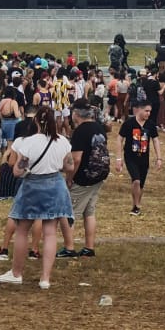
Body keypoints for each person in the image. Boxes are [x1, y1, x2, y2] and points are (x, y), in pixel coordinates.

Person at [0, 104, 73, 289]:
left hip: (32, 186)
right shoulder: (62, 141)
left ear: (36, 121)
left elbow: (16, 171)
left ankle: (16, 273)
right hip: (55, 185)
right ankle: (45, 278)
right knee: (50, 232)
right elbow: (69, 166)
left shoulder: (27, 142)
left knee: (22, 229)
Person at [60, 98, 108, 258]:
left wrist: (69, 177)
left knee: (70, 213)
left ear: (75, 114)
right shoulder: (98, 128)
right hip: (98, 176)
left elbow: (76, 159)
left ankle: (69, 247)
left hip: (83, 177)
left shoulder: (81, 131)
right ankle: (89, 247)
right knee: (90, 211)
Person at [120, 100, 153, 215]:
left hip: (144, 158)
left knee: (141, 183)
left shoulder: (150, 124)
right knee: (136, 181)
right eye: (146, 111)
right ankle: (136, 205)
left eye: (150, 111)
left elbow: (156, 140)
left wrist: (159, 158)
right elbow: (120, 139)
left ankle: (136, 205)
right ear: (139, 109)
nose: (148, 114)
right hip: (130, 157)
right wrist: (119, 158)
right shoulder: (129, 123)